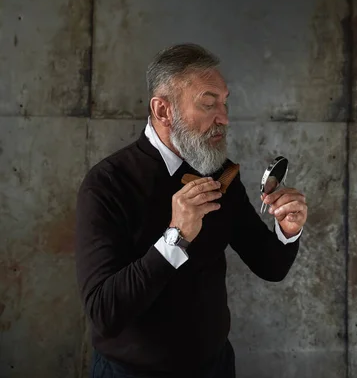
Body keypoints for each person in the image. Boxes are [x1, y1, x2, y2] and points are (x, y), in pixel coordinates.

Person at [76, 44, 308, 378]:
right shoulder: (107, 184)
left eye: (225, 102)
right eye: (208, 102)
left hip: (215, 368)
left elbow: (270, 266)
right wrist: (176, 237)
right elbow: (104, 313)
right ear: (163, 110)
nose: (224, 118)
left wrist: (288, 229)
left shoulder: (221, 173)